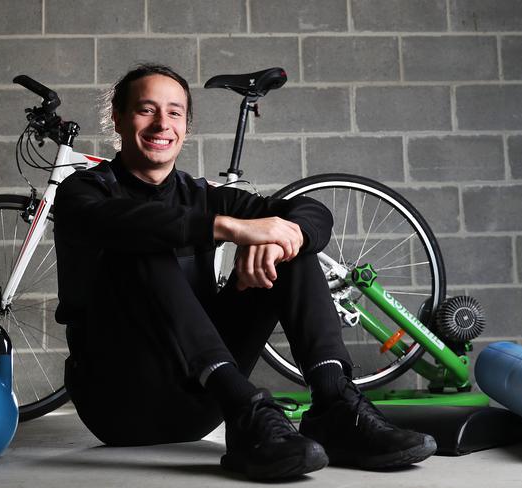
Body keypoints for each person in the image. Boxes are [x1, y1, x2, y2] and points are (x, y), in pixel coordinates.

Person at [53, 63, 437, 481]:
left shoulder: (201, 194)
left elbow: (311, 213)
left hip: (207, 402)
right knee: (139, 243)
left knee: (290, 243)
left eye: (175, 112)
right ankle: (245, 403)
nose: (163, 123)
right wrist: (230, 228)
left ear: (187, 125)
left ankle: (334, 405)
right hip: (120, 404)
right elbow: (124, 222)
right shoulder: (82, 192)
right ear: (119, 119)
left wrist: (280, 237)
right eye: (147, 110)